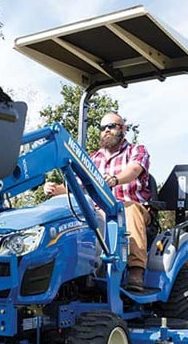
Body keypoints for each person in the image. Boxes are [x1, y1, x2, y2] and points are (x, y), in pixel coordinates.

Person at [43, 112, 151, 292]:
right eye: (103, 128)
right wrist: (55, 189)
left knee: (126, 211)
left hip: (130, 205)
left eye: (112, 126)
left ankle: (136, 270)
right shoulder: (92, 159)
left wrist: (115, 180)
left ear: (123, 129)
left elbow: (133, 170)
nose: (106, 131)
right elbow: (75, 185)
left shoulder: (137, 151)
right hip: (99, 210)